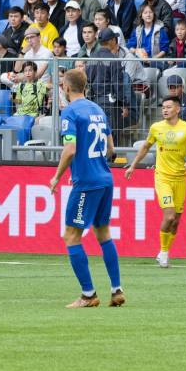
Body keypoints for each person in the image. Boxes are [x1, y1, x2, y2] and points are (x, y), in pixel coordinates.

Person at [48, 68, 125, 309]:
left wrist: (57, 177)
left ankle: (88, 294)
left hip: (87, 183)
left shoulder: (69, 112)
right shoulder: (98, 110)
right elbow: (111, 148)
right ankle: (116, 289)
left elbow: (69, 149)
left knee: (71, 236)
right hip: (105, 179)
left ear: (66, 88)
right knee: (103, 233)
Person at [124, 96, 186, 269]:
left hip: (180, 178)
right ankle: (164, 252)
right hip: (163, 176)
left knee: (176, 220)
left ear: (177, 109)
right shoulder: (156, 128)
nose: (165, 110)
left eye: (168, 107)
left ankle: (164, 252)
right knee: (169, 215)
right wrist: (133, 166)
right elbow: (145, 147)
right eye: (163, 107)